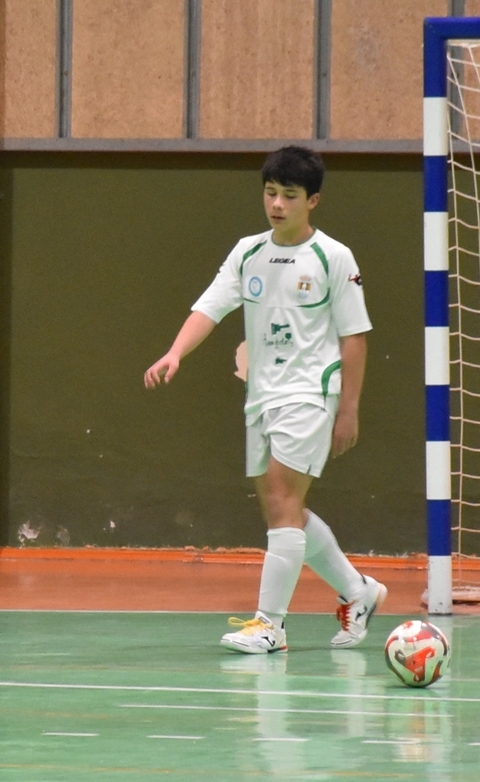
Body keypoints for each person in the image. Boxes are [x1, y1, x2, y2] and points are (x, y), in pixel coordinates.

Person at [144, 145, 386, 654]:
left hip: (310, 392)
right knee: (283, 508)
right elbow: (210, 307)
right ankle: (358, 590)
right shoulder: (248, 251)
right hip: (261, 396)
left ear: (312, 201)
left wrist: (349, 409)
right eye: (271, 193)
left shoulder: (333, 257)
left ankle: (270, 625)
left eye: (289, 195)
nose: (277, 204)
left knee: (281, 500)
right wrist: (175, 352)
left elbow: (355, 337)